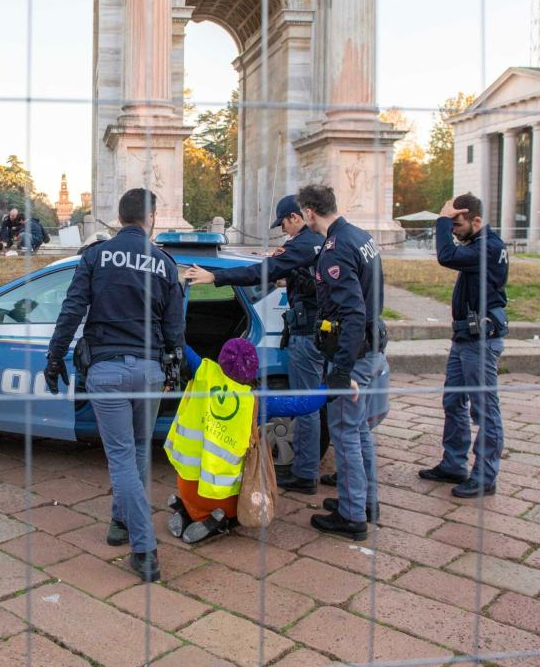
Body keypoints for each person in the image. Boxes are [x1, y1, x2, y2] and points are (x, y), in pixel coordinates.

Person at [43, 188, 184, 582]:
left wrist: (54, 357)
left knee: (122, 457)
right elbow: (175, 326)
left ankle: (145, 550)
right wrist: (176, 368)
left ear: (120, 217)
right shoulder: (164, 262)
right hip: (150, 370)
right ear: (151, 217)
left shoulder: (95, 255)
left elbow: (72, 309)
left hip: (107, 369)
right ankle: (120, 523)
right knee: (137, 451)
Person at [183, 194, 327, 494]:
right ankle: (307, 468)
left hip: (306, 334)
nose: (284, 230)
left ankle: (304, 473)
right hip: (316, 331)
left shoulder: (301, 245)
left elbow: (258, 272)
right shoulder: (316, 243)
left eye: (284, 224)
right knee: (309, 402)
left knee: (305, 406)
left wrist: (215, 276)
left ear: (296, 218)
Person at [164, 337, 327, 544]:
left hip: (186, 484)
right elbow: (301, 404)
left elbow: (181, 344)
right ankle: (215, 519)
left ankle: (188, 509)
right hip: (219, 495)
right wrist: (331, 388)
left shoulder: (203, 372)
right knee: (240, 497)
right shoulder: (255, 400)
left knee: (191, 488)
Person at [297, 184, 389, 540]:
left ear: (308, 212)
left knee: (345, 431)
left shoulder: (336, 250)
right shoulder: (360, 237)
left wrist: (341, 371)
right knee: (360, 428)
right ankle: (364, 501)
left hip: (354, 353)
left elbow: (352, 312)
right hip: (371, 346)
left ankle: (352, 517)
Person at [419, 193, 509, 498]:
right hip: (465, 337)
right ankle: (454, 463)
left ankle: (485, 476)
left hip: (480, 340)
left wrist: (442, 221)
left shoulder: (489, 247)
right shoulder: (478, 244)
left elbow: (446, 256)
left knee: (485, 409)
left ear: (477, 221)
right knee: (453, 401)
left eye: (458, 224)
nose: (454, 231)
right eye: (452, 225)